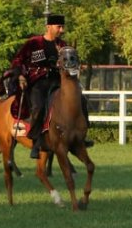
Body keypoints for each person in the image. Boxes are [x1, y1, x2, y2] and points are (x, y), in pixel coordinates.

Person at [11, 14, 92, 158]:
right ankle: (36, 141)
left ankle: (81, 136)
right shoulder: (33, 43)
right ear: (48, 27)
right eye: (58, 27)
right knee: (39, 106)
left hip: (58, 81)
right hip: (39, 82)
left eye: (62, 27)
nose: (61, 30)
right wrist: (20, 75)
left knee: (81, 100)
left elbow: (70, 62)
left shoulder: (62, 45)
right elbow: (18, 59)